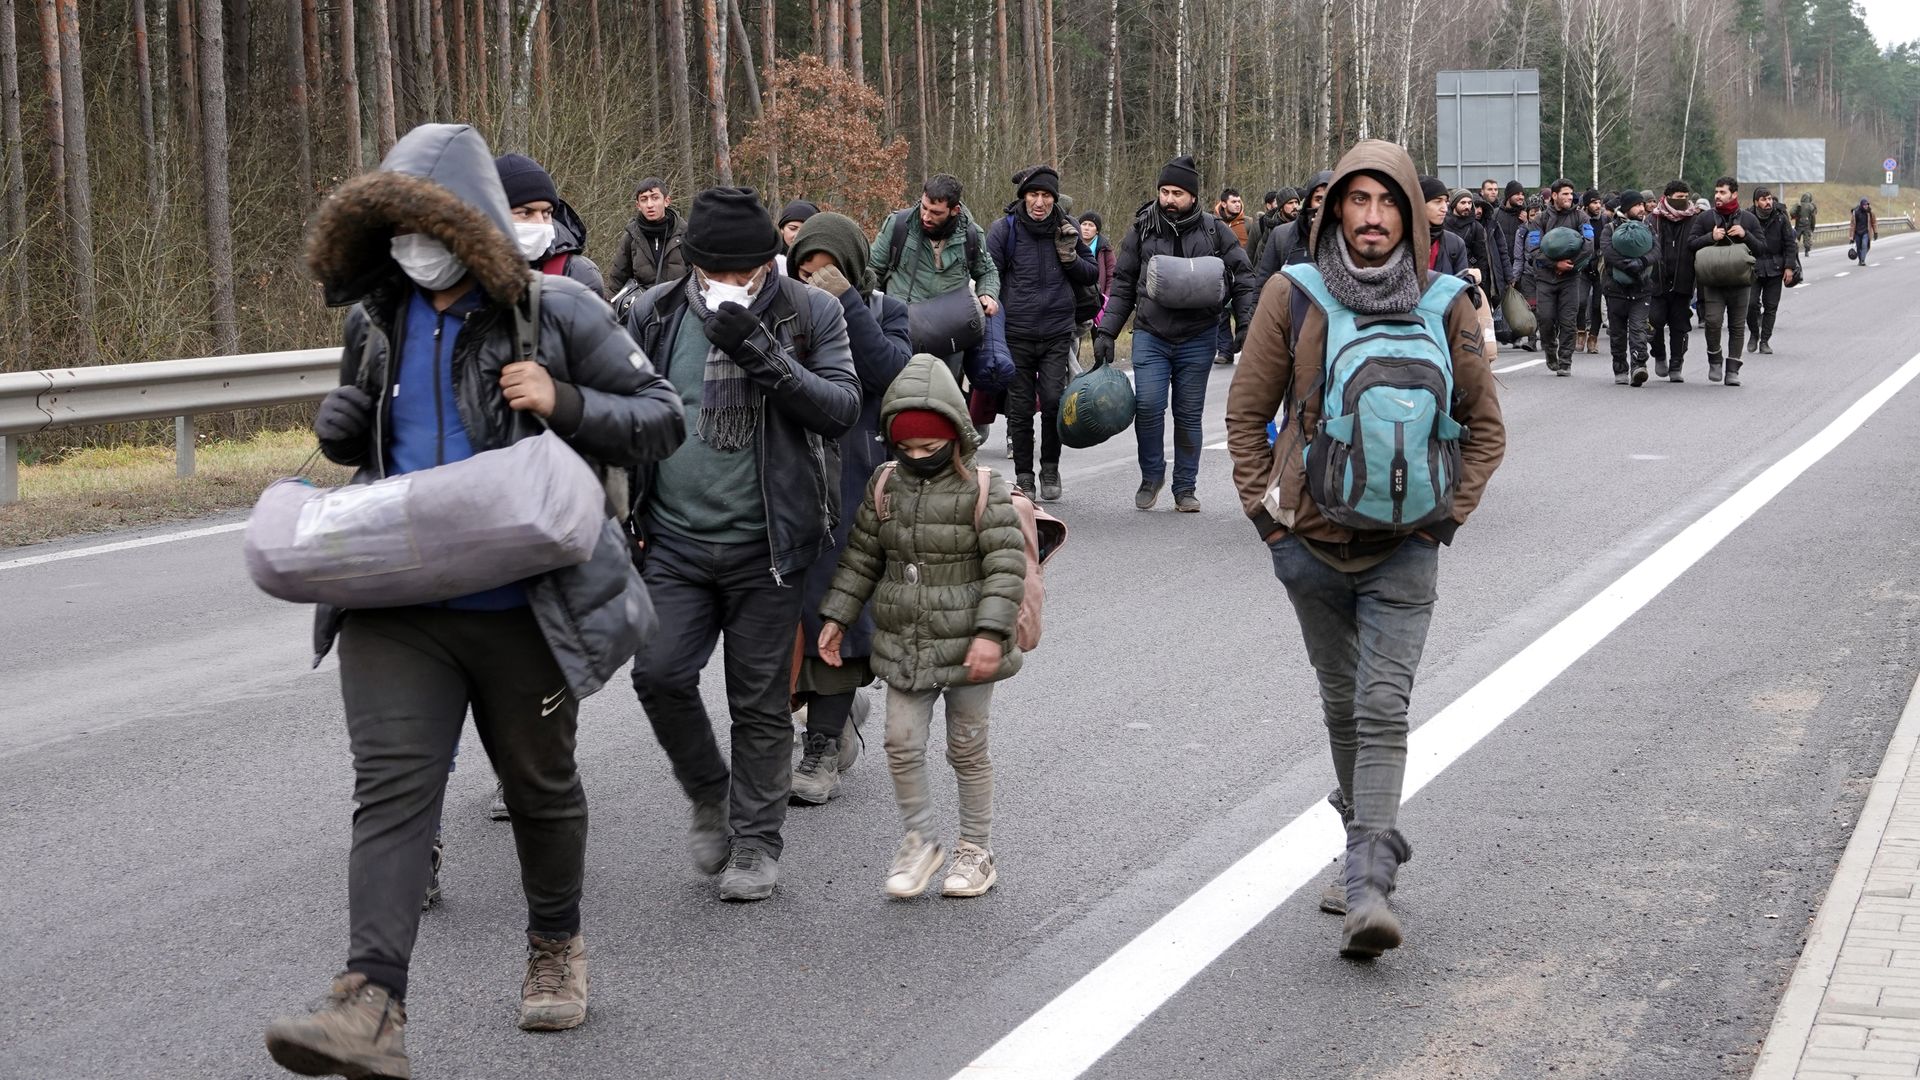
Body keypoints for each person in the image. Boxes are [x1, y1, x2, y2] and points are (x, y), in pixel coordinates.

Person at [263, 123, 686, 1076]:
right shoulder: (374, 321)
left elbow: (662, 421)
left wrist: (564, 403)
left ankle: (555, 946)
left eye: (429, 224)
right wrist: (341, 433)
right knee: (392, 793)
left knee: (539, 790)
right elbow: (374, 445)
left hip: (522, 606)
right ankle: (368, 1002)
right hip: (396, 601)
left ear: (472, 226)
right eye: (396, 227)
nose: (412, 245)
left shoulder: (560, 312)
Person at [1226, 138, 1504, 959]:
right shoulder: (1294, 296)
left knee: (1383, 707)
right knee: (1344, 704)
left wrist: (1441, 519)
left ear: (1411, 215)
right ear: (1335, 210)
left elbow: (1485, 430)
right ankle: (1364, 847)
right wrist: (1267, 522)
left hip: (1406, 545)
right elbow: (1246, 416)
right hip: (1309, 543)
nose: (1374, 217)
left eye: (1389, 203)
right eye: (1359, 201)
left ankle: (1369, 888)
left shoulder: (1448, 301)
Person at [624, 186, 861, 903]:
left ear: (771, 261)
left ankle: (756, 844)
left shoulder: (810, 310)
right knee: (658, 675)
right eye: (718, 274)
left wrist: (760, 351)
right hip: (672, 539)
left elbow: (841, 408)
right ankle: (708, 792)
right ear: (692, 265)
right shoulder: (653, 312)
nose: (734, 286)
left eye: (749, 273)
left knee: (758, 702)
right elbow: (622, 410)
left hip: (771, 543)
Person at [817, 354, 1027, 900]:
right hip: (906, 641)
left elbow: (1007, 570)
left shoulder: (985, 489)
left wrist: (987, 635)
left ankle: (975, 851)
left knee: (967, 748)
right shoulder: (886, 485)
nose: (917, 457)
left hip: (970, 646)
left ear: (955, 437)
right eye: (906, 448)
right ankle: (921, 841)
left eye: (929, 448)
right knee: (900, 743)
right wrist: (838, 617)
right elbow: (862, 557)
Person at [784, 211, 913, 806]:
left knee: (836, 606)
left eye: (827, 270)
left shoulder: (885, 311)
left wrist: (848, 307)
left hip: (855, 481)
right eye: (804, 271)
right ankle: (820, 715)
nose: (815, 281)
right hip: (785, 478)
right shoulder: (780, 312)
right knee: (781, 617)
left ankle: (823, 742)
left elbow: (892, 374)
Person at [1094, 154, 1257, 513]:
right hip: (1151, 333)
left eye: (1177, 193)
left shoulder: (1216, 231)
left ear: (1194, 197)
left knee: (1187, 414)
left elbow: (1244, 277)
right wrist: (1107, 330)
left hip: (1198, 336)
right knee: (1149, 406)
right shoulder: (1142, 229)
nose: (1169, 199)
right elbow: (1122, 283)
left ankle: (1185, 487)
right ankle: (1151, 476)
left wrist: (1245, 322)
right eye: (1164, 191)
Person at [986, 166, 1097, 501]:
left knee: (1052, 402)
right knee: (1020, 408)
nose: (1039, 202)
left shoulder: (1068, 228)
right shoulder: (1003, 231)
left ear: (1054, 198)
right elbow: (989, 276)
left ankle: (1050, 467)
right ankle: (1024, 476)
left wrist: (1069, 257)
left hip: (1056, 332)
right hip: (1016, 332)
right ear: (1023, 197)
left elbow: (1090, 273)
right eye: (1033, 195)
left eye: (1045, 195)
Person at [1687, 176, 1763, 386]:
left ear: (1734, 194)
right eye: (1716, 192)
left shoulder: (1749, 219)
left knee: (1737, 326)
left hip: (1741, 282)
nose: (1717, 196)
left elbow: (1762, 248)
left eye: (1722, 192)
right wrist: (1710, 237)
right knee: (1712, 321)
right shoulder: (1705, 219)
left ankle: (1733, 370)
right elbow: (1691, 244)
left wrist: (1745, 235)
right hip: (1713, 281)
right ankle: (1715, 358)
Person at [496, 153, 605, 298]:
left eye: (546, 213)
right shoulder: (465, 274)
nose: (540, 223)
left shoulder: (577, 274)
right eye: (526, 213)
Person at [1522, 178, 1594, 376]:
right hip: (1545, 278)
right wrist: (1555, 264)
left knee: (1568, 321)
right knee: (1545, 319)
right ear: (1554, 196)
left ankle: (1565, 361)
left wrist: (1569, 264)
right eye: (1565, 194)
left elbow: (1589, 244)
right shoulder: (1539, 219)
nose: (1569, 197)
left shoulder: (1581, 218)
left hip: (1570, 279)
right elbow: (1534, 249)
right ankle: (1550, 349)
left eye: (1571, 194)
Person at [1599, 189, 1658, 386]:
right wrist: (1627, 266)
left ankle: (1639, 366)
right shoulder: (1611, 228)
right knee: (1617, 332)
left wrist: (1641, 262)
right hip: (1615, 289)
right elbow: (1607, 252)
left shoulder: (1648, 227)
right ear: (1626, 208)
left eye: (1643, 205)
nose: (1642, 209)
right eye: (1637, 205)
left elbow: (1656, 251)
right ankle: (1620, 367)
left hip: (1641, 289)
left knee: (1638, 328)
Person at [1647, 180, 1700, 382]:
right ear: (1668, 197)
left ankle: (1677, 363)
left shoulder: (1695, 220)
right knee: (1655, 321)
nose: (1683, 201)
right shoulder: (1653, 220)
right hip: (1656, 280)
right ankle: (1659, 355)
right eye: (1679, 197)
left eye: (1686, 197)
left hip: (1683, 281)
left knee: (1680, 325)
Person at [1744, 187, 1799, 355]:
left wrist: (1789, 267)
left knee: (1771, 307)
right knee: (1750, 304)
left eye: (1769, 199)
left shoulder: (1780, 218)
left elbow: (1790, 244)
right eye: (1763, 199)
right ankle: (1754, 333)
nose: (1768, 202)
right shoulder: (1747, 218)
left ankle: (1765, 341)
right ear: (1755, 202)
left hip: (1775, 268)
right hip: (1753, 268)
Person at [1255, 170, 1334, 286]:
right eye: (1318, 199)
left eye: (1330, 198)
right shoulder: (1278, 234)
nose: (1323, 206)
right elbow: (1262, 275)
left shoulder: (1352, 238)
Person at [610, 177, 687, 295]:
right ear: (638, 205)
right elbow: (616, 283)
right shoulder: (631, 237)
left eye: (655, 198)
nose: (650, 204)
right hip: (642, 308)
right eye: (644, 199)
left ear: (666, 201)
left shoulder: (685, 234)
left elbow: (701, 277)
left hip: (679, 307)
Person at [1574, 189, 1606, 354]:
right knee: (1580, 302)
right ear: (1586, 205)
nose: (1598, 206)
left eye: (1599, 202)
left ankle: (1593, 337)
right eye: (1594, 203)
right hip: (1583, 268)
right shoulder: (1579, 220)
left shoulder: (1605, 220)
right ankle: (1580, 332)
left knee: (1597, 305)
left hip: (1600, 269)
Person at [1081, 211, 1118, 324]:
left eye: (1091, 225)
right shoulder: (1072, 244)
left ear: (1097, 230)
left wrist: (1106, 298)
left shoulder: (1105, 248)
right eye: (1084, 224)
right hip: (1079, 299)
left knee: (1098, 335)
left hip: (1098, 299)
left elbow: (1112, 275)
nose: (1086, 228)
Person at [1851, 198, 1878, 265]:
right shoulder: (1856, 213)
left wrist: (1875, 232)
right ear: (1861, 205)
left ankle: (1863, 260)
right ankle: (1860, 260)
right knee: (1858, 247)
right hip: (1857, 233)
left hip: (1866, 232)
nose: (1866, 206)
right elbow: (1852, 225)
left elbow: (1874, 223)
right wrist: (1851, 237)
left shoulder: (1870, 213)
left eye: (1867, 205)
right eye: (1864, 205)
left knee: (1864, 245)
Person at [1791, 191, 1817, 256]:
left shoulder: (1798, 204)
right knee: (1807, 240)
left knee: (1795, 239)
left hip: (1798, 225)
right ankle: (1806, 251)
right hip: (1807, 226)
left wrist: (1796, 216)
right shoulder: (1811, 206)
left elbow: (1791, 212)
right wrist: (1813, 226)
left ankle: (1794, 251)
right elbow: (1813, 218)